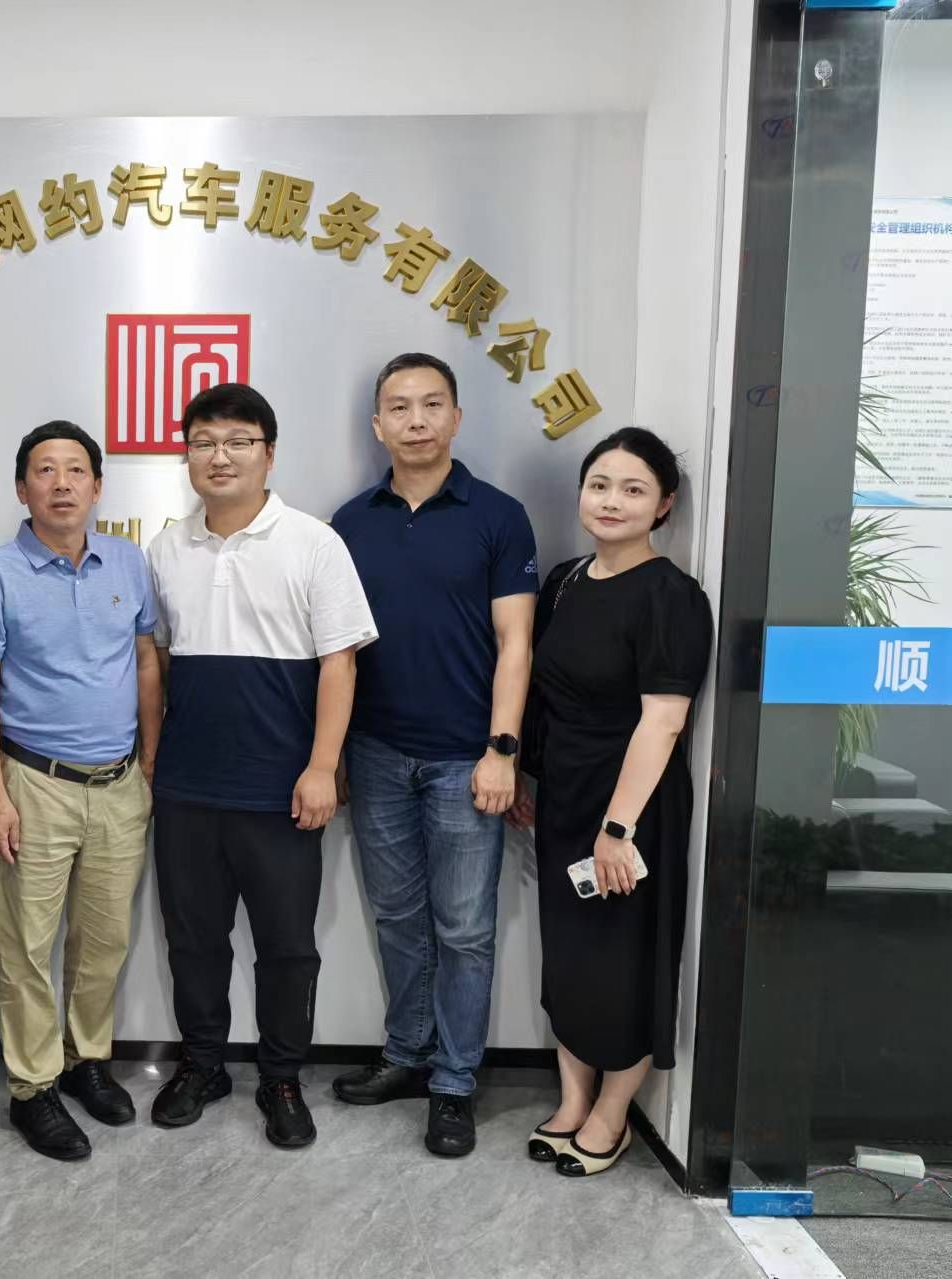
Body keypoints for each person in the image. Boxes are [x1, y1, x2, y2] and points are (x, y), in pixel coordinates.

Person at [147, 382, 377, 1149]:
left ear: (268, 453)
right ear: (187, 455)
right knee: (193, 940)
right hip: (188, 787)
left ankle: (282, 1077)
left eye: (239, 441)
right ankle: (202, 1064)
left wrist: (322, 766)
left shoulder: (314, 542)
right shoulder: (165, 549)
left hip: (282, 789)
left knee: (287, 946)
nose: (221, 456)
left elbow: (340, 663)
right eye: (204, 441)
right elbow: (161, 662)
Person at [330, 352, 538, 1158]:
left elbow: (515, 642)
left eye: (430, 404)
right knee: (397, 918)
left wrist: (502, 749)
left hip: (466, 758)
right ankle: (406, 1053)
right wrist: (333, 751)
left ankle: (454, 1081)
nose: (415, 420)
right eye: (399, 407)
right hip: (376, 751)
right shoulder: (350, 521)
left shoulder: (499, 515)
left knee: (464, 928)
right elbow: (337, 650)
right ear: (377, 424)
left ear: (455, 417)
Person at [508, 427, 712, 1177]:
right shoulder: (565, 580)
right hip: (563, 794)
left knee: (626, 957)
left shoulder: (672, 596)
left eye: (633, 489)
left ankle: (613, 1112)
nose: (611, 501)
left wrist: (617, 827)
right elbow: (543, 692)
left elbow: (664, 720)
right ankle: (572, 1098)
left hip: (632, 805)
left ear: (664, 505)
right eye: (599, 484)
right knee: (568, 950)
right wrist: (526, 772)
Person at [0, 421, 162, 1160]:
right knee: (26, 945)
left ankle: (86, 1060)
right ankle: (32, 1087)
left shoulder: (128, 562)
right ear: (23, 489)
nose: (62, 483)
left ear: (98, 486)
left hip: (119, 783)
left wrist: (150, 762)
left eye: (76, 470)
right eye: (45, 470)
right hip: (33, 784)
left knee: (104, 940)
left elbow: (147, 662)